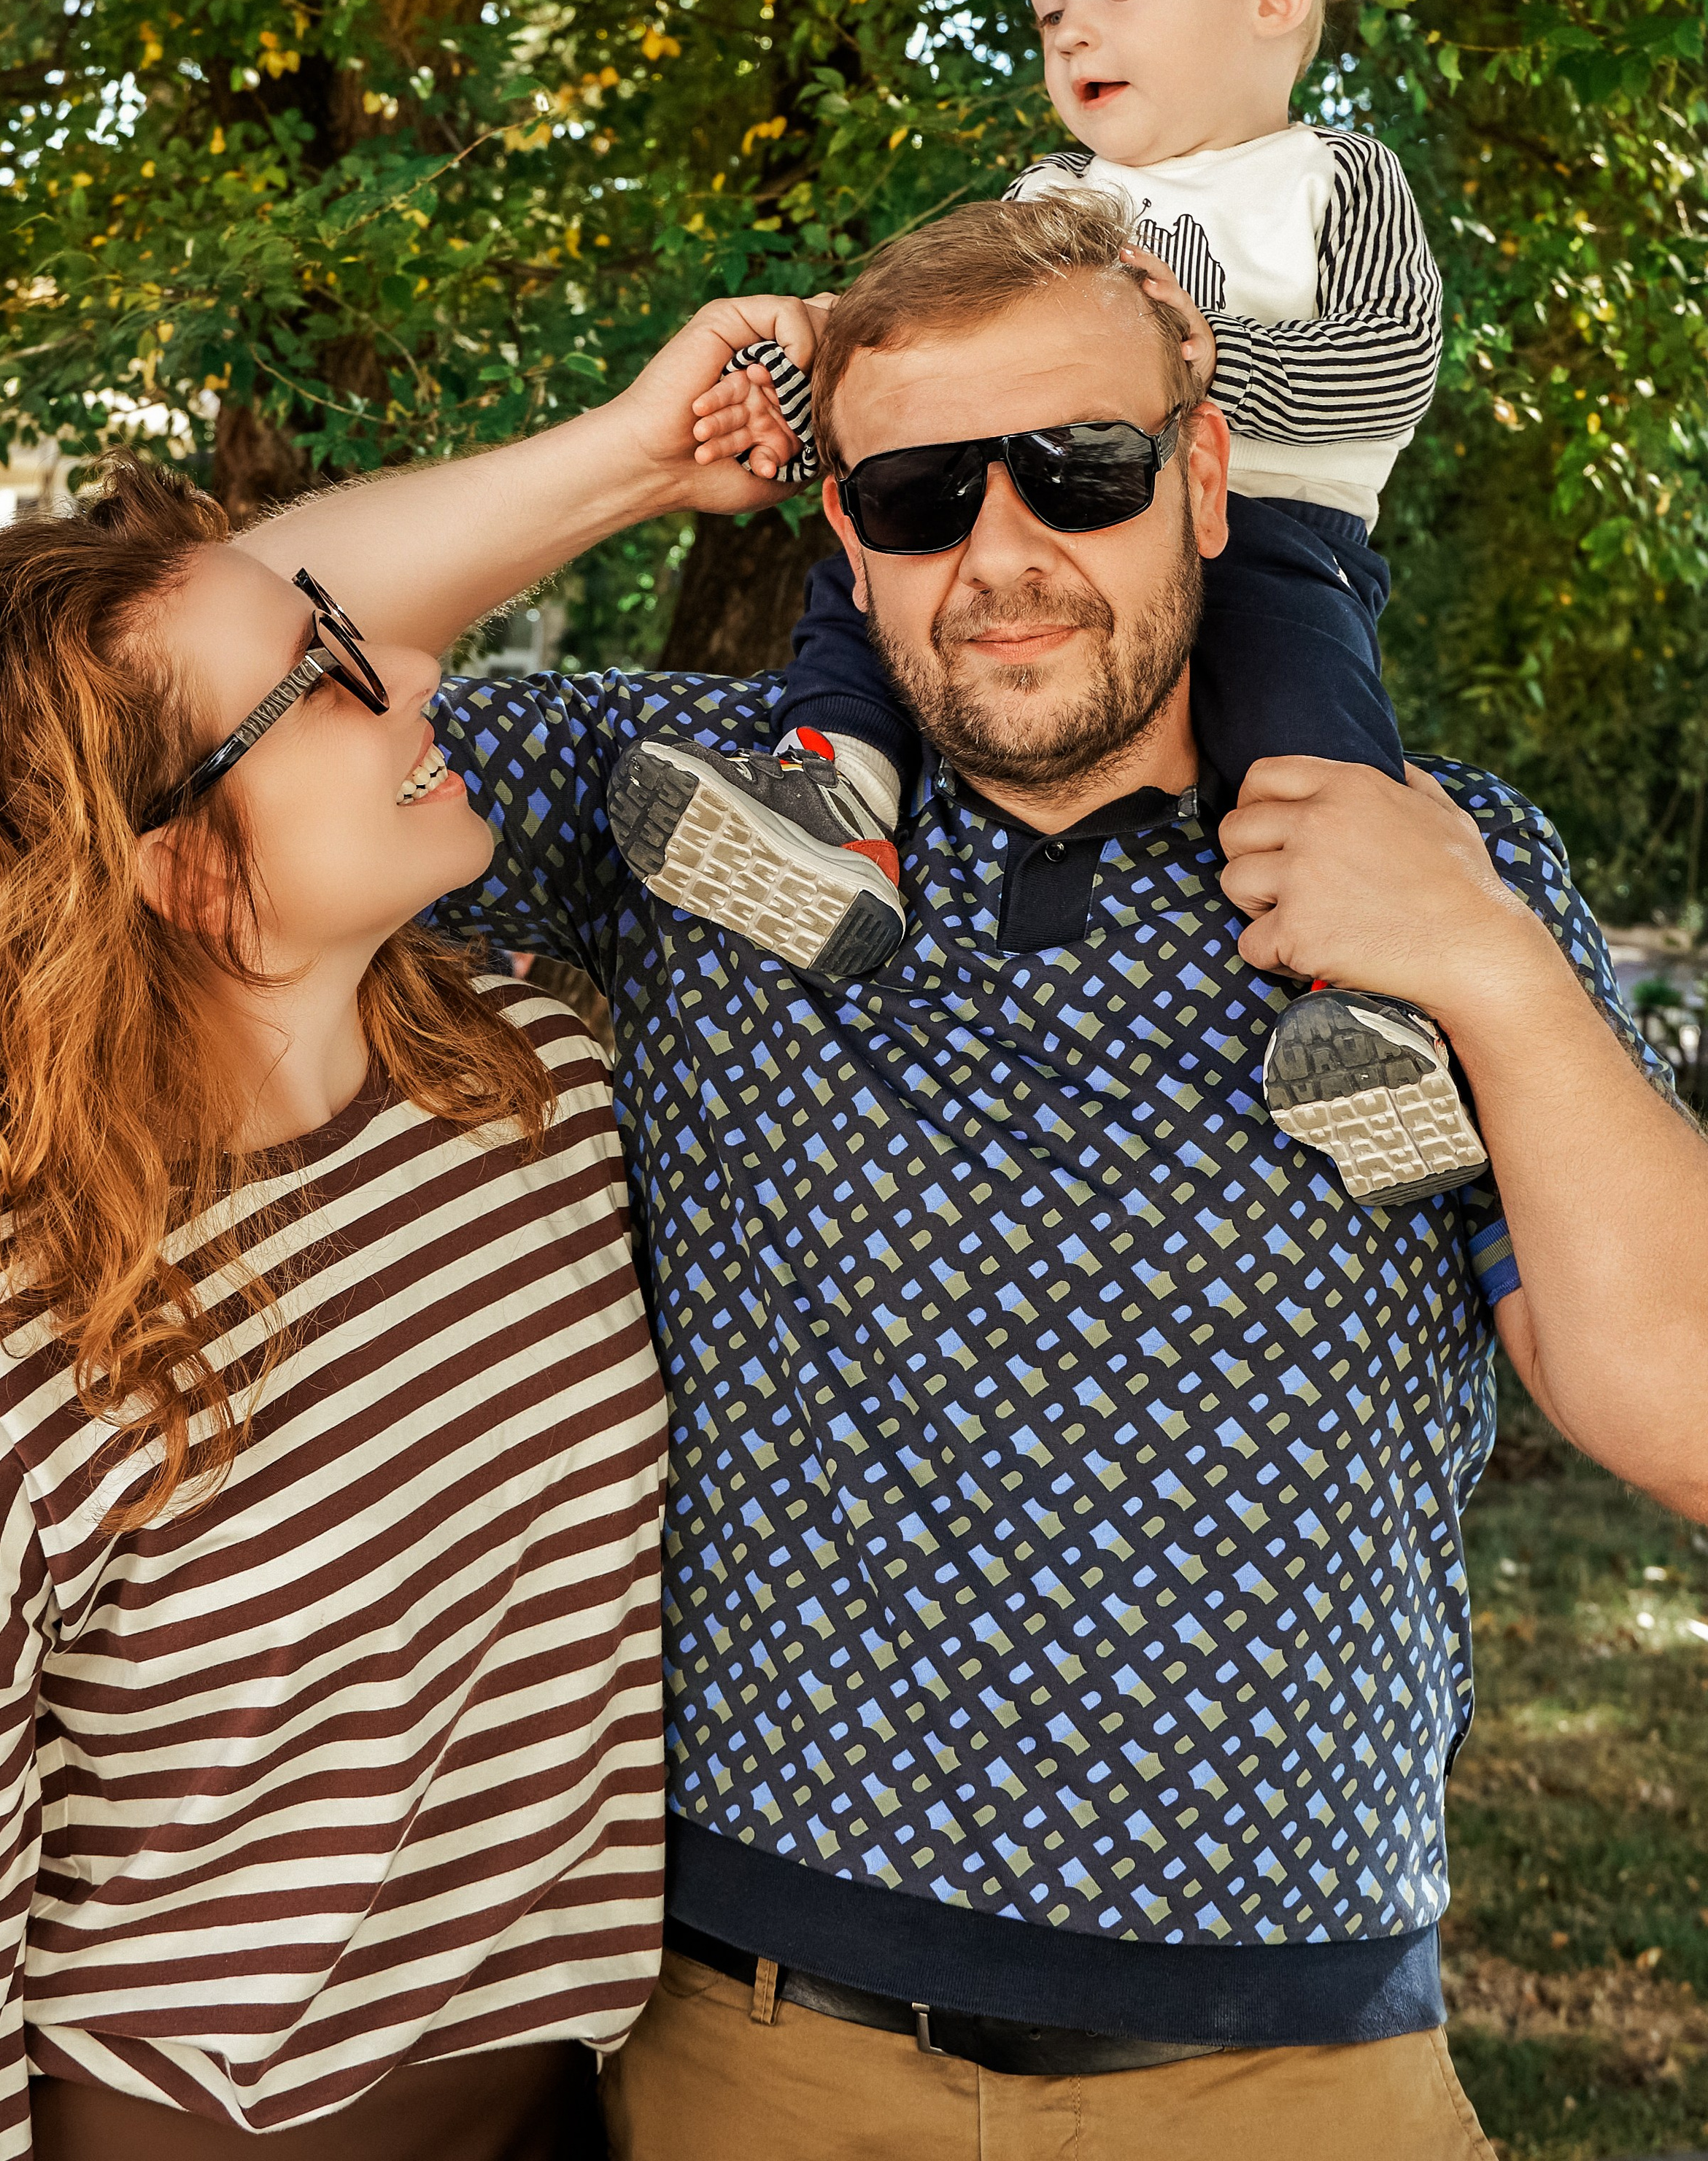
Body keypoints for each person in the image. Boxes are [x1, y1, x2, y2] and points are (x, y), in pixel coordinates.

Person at [226, 207, 1708, 2160]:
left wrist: (1493, 966)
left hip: (1296, 2079)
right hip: (756, 2056)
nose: (1000, 558)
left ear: (1201, 479)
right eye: (921, 497)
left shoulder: (1431, 869)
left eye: (1078, 474)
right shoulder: (687, 812)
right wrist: (629, 453)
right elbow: (173, 688)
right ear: (844, 538)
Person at [0, 458, 667, 2161]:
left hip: (571, 2108)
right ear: (183, 875)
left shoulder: (547, 1100)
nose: (423, 674)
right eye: (326, 680)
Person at [611, 0, 1474, 1208]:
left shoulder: (1333, 180)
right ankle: (831, 808)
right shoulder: (1050, 201)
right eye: (1045, 9)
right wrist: (806, 359)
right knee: (884, 555)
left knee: (1305, 743)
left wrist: (1174, 353)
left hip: (1269, 528)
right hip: (1050, 512)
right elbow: (935, 366)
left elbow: (1374, 375)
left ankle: (1371, 1014)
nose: (1073, 31)